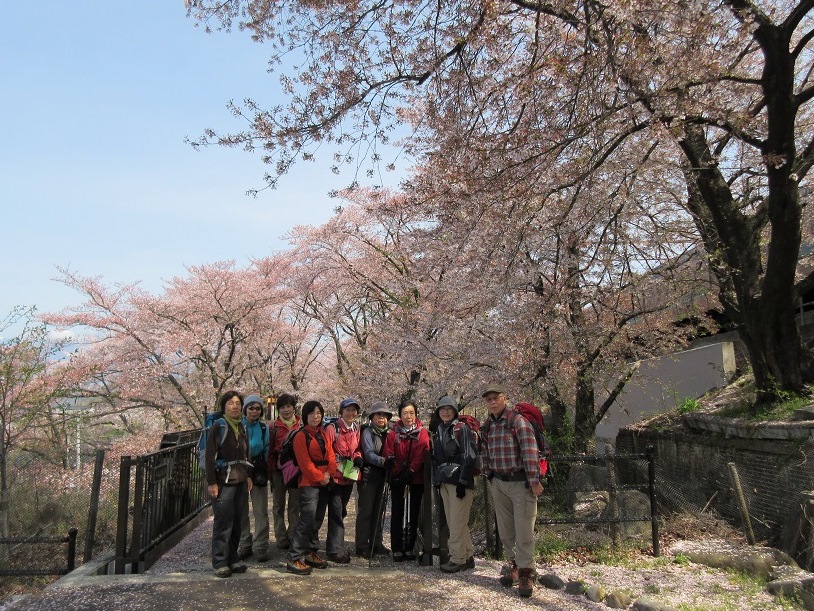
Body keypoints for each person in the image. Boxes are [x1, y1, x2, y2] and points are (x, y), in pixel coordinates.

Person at [480, 386, 544, 598]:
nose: (492, 402)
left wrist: (534, 480)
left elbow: (529, 450)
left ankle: (526, 572)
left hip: (520, 483)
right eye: (488, 400)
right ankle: (514, 565)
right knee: (506, 530)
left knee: (524, 529)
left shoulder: (517, 421)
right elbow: (485, 453)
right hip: (499, 482)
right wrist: (490, 475)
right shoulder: (488, 425)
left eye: (496, 398)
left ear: (504, 398)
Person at [286, 400, 340, 575]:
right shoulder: (301, 436)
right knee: (306, 520)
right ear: (305, 416)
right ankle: (294, 557)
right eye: (311, 414)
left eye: (318, 413)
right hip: (309, 484)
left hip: (324, 481)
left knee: (317, 520)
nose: (316, 417)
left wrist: (329, 474)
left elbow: (331, 455)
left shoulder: (322, 433)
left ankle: (311, 552)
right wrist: (320, 477)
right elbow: (305, 464)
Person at [206, 390, 253, 578]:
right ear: (224, 406)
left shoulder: (242, 426)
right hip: (223, 481)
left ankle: (233, 559)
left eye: (237, 403)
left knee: (237, 521)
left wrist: (248, 476)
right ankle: (219, 561)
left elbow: (246, 453)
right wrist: (211, 483)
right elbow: (210, 456)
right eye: (230, 403)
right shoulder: (219, 426)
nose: (235, 406)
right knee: (223, 521)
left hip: (240, 479)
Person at [432, 395, 477, 573]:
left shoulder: (461, 429)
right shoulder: (441, 430)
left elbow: (469, 456)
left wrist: (463, 482)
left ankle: (457, 559)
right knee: (456, 522)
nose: (445, 412)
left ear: (455, 411)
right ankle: (467, 555)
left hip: (459, 481)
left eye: (448, 409)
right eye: (442, 409)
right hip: (445, 480)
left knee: (456, 523)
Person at [383, 399, 430, 562]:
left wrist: (410, 471)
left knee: (413, 512)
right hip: (397, 476)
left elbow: (421, 453)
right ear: (400, 415)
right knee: (397, 511)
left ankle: (409, 546)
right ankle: (396, 547)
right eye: (405, 413)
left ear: (416, 414)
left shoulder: (422, 432)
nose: (408, 416)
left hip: (415, 478)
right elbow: (388, 451)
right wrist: (395, 468)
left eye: (411, 413)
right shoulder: (393, 433)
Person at [320, 397, 363, 564]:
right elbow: (327, 451)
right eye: (348, 410)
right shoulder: (333, 428)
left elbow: (357, 448)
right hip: (336, 475)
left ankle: (335, 544)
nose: (351, 413)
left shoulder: (356, 428)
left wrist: (358, 457)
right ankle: (335, 549)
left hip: (349, 473)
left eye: (354, 410)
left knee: (341, 511)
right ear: (341, 411)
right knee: (336, 511)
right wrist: (330, 473)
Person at [354, 401, 393, 558]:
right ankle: (362, 545)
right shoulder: (367, 433)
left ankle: (376, 543)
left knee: (379, 510)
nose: (381, 418)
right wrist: (383, 461)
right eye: (378, 415)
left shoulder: (389, 433)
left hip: (383, 476)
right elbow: (368, 453)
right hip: (369, 476)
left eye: (384, 415)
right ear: (372, 417)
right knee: (366, 511)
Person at [238, 394, 271, 562]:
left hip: (257, 470)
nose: (254, 411)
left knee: (260, 510)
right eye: (251, 408)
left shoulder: (264, 429)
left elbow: (266, 450)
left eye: (258, 408)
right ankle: (244, 543)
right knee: (242, 510)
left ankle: (261, 545)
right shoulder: (238, 426)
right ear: (245, 410)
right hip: (240, 470)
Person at [268, 393, 301, 550]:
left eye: (288, 406)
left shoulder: (301, 425)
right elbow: (268, 451)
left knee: (295, 504)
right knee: (278, 504)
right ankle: (280, 536)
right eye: (282, 407)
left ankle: (293, 534)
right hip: (278, 470)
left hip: (295, 470)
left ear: (294, 407)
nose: (286, 410)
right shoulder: (273, 426)